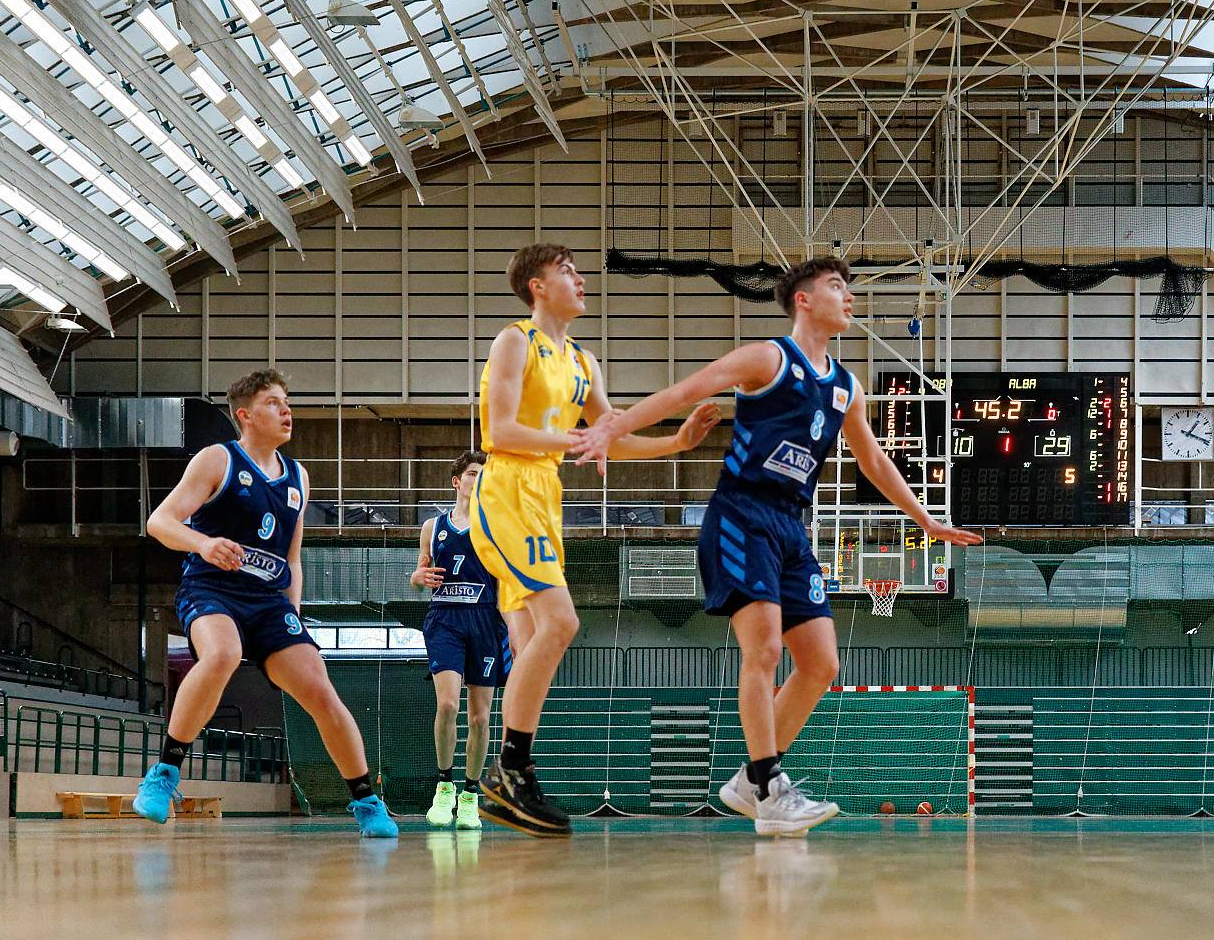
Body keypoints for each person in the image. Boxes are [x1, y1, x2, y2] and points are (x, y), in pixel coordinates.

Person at [574, 257, 983, 836]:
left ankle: (749, 781)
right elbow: (687, 389)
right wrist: (614, 427)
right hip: (742, 515)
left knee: (820, 663)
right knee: (763, 650)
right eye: (837, 286)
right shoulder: (767, 358)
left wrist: (926, 520)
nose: (848, 296)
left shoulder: (846, 386)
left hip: (793, 527)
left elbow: (873, 460)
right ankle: (769, 787)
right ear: (804, 300)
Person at [471, 244, 720, 836]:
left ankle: (510, 776)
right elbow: (500, 429)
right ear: (537, 286)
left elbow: (607, 436)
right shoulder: (515, 342)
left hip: (545, 495)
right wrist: (569, 442)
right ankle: (510, 771)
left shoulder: (585, 362)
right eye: (567, 272)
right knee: (562, 623)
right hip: (506, 487)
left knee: (535, 637)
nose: (581, 280)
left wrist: (675, 445)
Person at [131, 368, 397, 837]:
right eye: (274, 402)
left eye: (286, 401)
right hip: (213, 589)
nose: (286, 409)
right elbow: (160, 521)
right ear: (246, 415)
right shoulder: (218, 460)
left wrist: (292, 612)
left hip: (270, 602)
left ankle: (367, 802)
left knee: (319, 688)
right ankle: (165, 773)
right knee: (223, 654)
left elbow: (292, 557)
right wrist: (203, 543)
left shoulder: (298, 476)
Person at [412, 450, 506, 829]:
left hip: (485, 619)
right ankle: (443, 787)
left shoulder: (497, 525)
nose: (478, 479)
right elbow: (419, 575)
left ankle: (470, 795)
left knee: (481, 717)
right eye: (472, 473)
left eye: (484, 474)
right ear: (457, 481)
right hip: (444, 619)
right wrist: (416, 579)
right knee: (448, 705)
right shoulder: (433, 527)